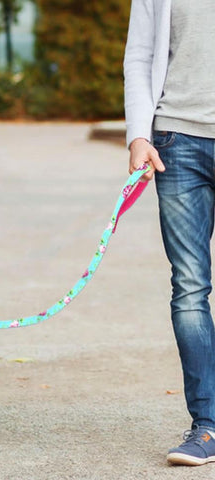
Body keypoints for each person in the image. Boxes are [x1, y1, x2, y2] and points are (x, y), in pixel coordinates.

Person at [124, 0, 215, 466]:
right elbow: (139, 55)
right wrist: (139, 133)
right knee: (190, 289)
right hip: (178, 142)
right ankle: (207, 427)